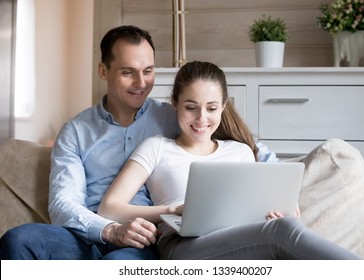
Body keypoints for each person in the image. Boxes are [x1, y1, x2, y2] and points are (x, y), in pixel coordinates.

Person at [0, 26, 277, 260]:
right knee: (18, 239)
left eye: (148, 71)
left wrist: (276, 194)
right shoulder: (75, 131)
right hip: (85, 235)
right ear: (103, 71)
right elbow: (63, 203)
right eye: (127, 72)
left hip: (143, 238)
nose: (141, 83)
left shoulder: (175, 116)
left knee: (119, 265)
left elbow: (247, 150)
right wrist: (108, 230)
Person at [98, 61, 361, 260]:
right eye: (191, 107)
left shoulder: (241, 151)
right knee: (284, 231)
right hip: (182, 244)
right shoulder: (156, 148)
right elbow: (109, 208)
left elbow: (253, 210)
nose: (202, 119)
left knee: (285, 226)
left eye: (211, 108)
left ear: (223, 107)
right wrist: (171, 211)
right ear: (175, 103)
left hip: (237, 242)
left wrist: (276, 212)